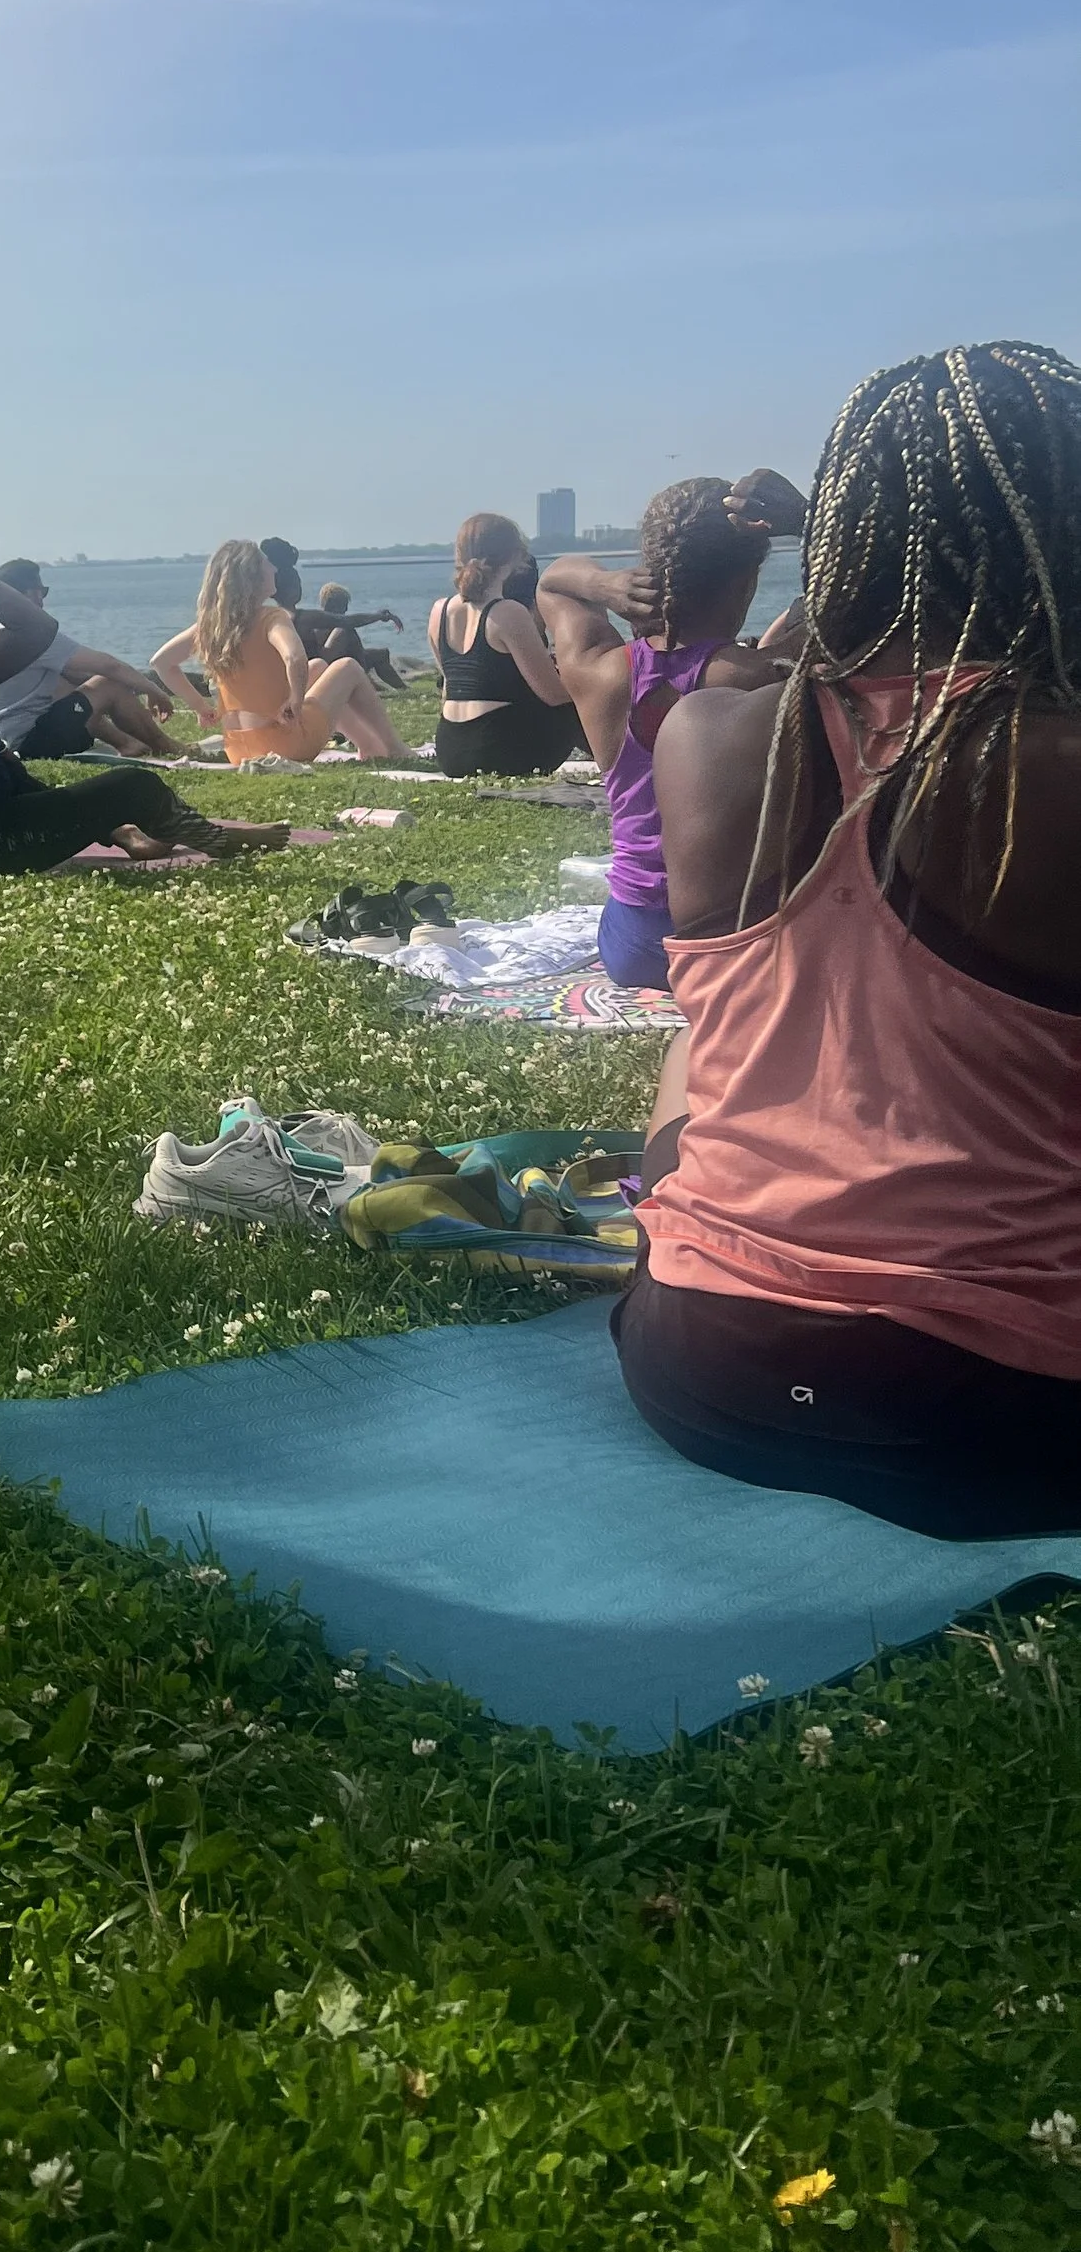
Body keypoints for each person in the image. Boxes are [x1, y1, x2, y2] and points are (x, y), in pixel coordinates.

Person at [614, 341, 1081, 1540]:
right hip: (1008, 1414)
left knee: (697, 1042)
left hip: (700, 1364)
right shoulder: (1055, 761)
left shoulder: (710, 736)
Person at [0, 538, 277, 881]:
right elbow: (37, 627)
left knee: (9, 769)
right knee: (135, 785)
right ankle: (215, 840)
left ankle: (117, 830)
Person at [538, 478, 800, 987]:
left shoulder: (598, 671)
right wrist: (808, 526)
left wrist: (603, 586)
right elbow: (875, 595)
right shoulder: (763, 674)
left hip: (632, 943)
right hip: (733, 944)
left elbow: (550, 583)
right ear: (747, 582)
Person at [151, 539, 400, 767]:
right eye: (267, 564)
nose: (275, 569)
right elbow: (294, 657)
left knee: (318, 669)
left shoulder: (213, 625)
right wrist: (296, 701)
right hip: (285, 744)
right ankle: (396, 749)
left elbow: (161, 663)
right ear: (254, 577)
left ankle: (368, 745)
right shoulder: (272, 617)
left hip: (238, 749)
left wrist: (200, 706)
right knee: (347, 668)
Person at [423, 515, 584, 779]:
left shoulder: (438, 611)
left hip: (451, 750)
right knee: (580, 700)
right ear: (514, 557)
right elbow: (554, 695)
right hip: (503, 752)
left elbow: (454, 686)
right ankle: (623, 762)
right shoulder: (509, 613)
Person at [0, 560, 178, 762]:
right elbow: (110, 666)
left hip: (7, 741)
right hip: (33, 741)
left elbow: (77, 676)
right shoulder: (32, 634)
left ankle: (128, 744)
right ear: (33, 593)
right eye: (42, 591)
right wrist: (154, 690)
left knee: (65, 683)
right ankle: (165, 746)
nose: (42, 600)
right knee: (109, 683)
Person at [310, 581, 407, 691]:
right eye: (343, 605)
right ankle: (366, 684)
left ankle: (401, 688)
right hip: (329, 668)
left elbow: (354, 621)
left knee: (381, 654)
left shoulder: (331, 621)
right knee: (346, 629)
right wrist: (379, 616)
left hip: (342, 662)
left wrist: (379, 615)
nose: (346, 609)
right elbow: (351, 622)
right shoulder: (322, 621)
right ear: (331, 603)